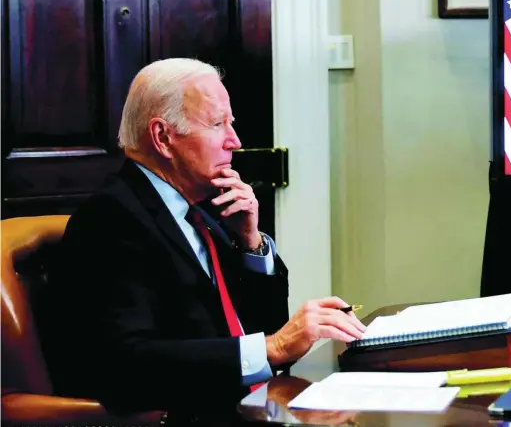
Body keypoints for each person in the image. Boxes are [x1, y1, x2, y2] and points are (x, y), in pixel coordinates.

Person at [45, 58, 366, 412]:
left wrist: (252, 243)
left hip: (254, 404)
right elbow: (126, 362)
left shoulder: (203, 209)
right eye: (218, 124)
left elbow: (260, 329)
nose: (235, 141)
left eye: (231, 123)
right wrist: (273, 347)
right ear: (163, 137)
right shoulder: (110, 221)